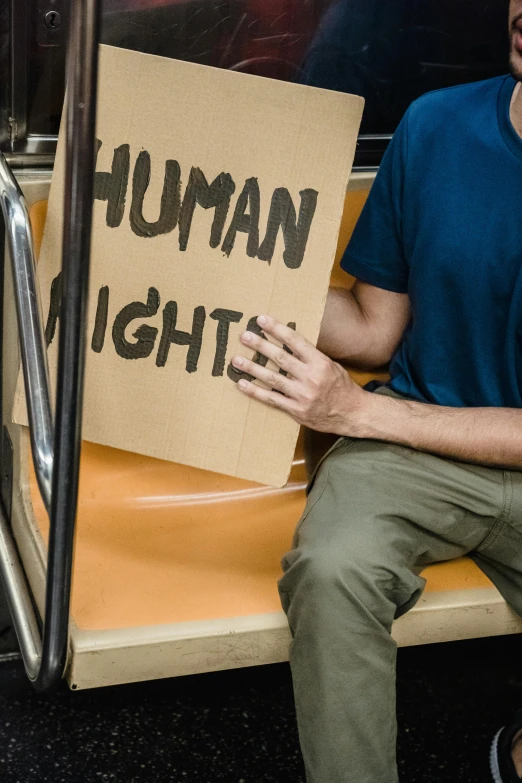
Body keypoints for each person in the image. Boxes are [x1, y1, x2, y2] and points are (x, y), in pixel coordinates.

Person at [229, 1, 522, 780]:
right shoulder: (435, 127)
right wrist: (233, 264)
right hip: (410, 449)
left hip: (400, 420)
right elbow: (371, 328)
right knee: (332, 567)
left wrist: (358, 410)